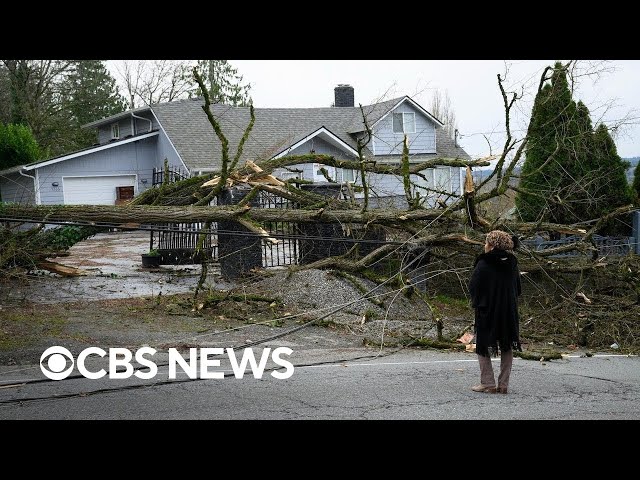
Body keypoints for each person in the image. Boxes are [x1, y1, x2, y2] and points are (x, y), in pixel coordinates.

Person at [468, 230, 522, 394]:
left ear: (491, 245)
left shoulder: (484, 263)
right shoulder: (513, 263)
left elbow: (473, 287)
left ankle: (488, 382)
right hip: (508, 311)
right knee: (507, 344)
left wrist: (479, 302)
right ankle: (503, 384)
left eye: (486, 243)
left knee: (483, 345)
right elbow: (518, 289)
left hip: (488, 310)